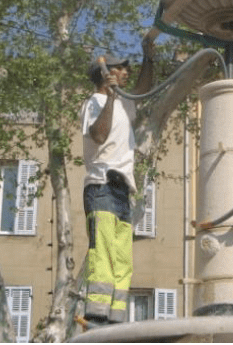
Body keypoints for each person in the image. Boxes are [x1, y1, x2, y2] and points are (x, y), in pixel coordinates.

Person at [80, 38, 155, 326]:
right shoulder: (95, 103)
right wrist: (110, 96)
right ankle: (96, 313)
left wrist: (149, 57)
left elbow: (144, 89)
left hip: (123, 191)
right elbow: (98, 136)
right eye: (120, 68)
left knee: (122, 259)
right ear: (105, 74)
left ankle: (115, 317)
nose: (127, 71)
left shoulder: (124, 104)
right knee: (103, 253)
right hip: (102, 187)